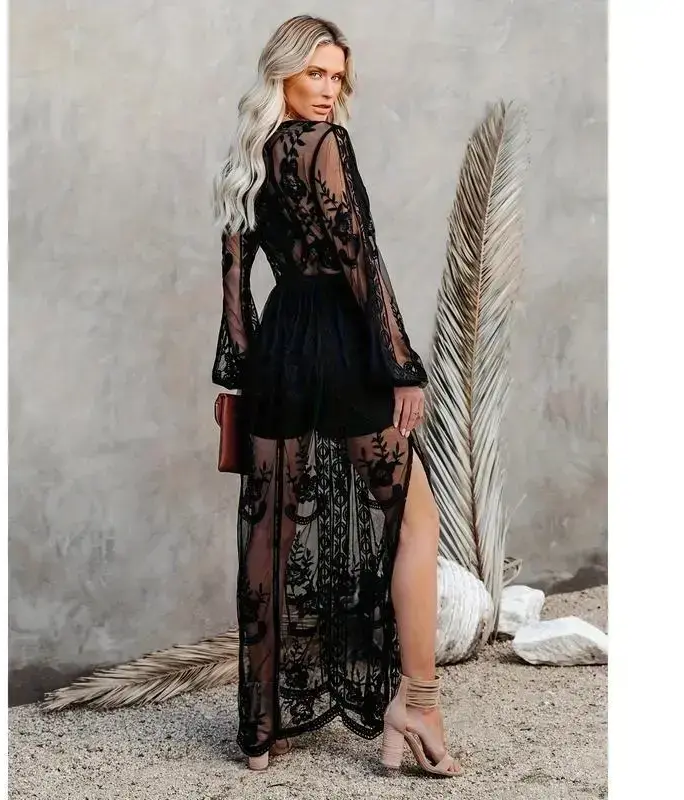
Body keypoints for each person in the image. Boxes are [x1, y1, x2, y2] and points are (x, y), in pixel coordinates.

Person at [211, 15, 463, 778]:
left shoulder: (246, 156)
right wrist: (401, 363)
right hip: (343, 347)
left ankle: (259, 734)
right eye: (315, 73)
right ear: (282, 72)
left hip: (280, 351)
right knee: (415, 518)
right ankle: (416, 705)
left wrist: (241, 373)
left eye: (337, 77)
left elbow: (235, 280)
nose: (328, 90)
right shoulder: (324, 145)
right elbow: (360, 257)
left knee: (270, 534)